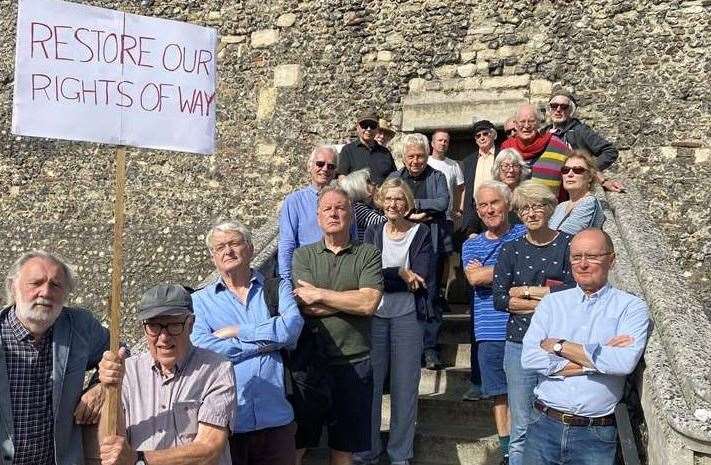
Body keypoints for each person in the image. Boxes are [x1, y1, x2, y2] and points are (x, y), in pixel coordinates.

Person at [521, 228, 649, 465]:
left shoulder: (631, 307)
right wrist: (598, 357)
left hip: (594, 435)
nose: (583, 264)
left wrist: (560, 346)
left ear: (611, 259)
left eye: (592, 256)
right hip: (543, 425)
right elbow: (529, 358)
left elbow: (623, 363)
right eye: (576, 257)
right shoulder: (552, 303)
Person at [191, 221, 304, 465]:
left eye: (234, 243)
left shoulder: (277, 288)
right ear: (213, 257)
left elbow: (291, 329)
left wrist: (236, 331)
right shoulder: (199, 301)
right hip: (227, 421)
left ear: (251, 249)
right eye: (220, 247)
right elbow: (201, 347)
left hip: (277, 416)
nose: (228, 251)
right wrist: (267, 343)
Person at [290, 186, 384, 465]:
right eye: (327, 208)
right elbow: (304, 304)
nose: (334, 213)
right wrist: (349, 299)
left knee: (344, 445)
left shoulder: (367, 254)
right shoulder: (303, 255)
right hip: (310, 363)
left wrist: (320, 294)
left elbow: (369, 304)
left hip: (355, 361)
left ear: (351, 215)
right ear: (318, 217)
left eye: (340, 207)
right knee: (297, 442)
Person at [97, 284, 236, 465]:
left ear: (191, 324)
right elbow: (111, 444)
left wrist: (139, 459)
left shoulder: (217, 369)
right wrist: (110, 391)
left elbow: (209, 449)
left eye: (173, 325)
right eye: (154, 326)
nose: (163, 337)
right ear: (144, 328)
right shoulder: (128, 371)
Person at [492, 181, 575, 465]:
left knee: (556, 423)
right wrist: (548, 300)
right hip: (519, 345)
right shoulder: (510, 250)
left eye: (538, 206)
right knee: (522, 427)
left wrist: (525, 291)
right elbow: (501, 299)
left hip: (559, 346)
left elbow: (574, 293)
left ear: (550, 208)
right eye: (525, 208)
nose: (531, 212)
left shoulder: (568, 244)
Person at [0, 250, 109, 465]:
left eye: (55, 285)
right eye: (36, 283)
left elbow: (119, 352)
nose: (46, 292)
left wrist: (101, 386)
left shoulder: (80, 327)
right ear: (14, 286)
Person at [361, 179, 433, 465]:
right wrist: (401, 274)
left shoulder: (421, 232)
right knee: (372, 387)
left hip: (407, 317)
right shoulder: (373, 231)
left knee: (405, 387)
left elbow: (421, 277)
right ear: (381, 201)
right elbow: (367, 274)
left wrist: (392, 275)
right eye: (389, 199)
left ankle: (400, 454)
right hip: (375, 316)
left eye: (399, 199)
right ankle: (368, 449)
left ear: (408, 203)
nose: (393, 204)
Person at [461, 181, 527, 464]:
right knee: (499, 395)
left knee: (525, 393)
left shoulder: (525, 233)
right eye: (483, 205)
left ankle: (526, 449)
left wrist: (495, 271)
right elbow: (474, 279)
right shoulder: (471, 244)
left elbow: (530, 269)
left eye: (494, 203)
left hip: (524, 326)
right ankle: (508, 451)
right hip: (488, 329)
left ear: (507, 203)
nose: (489, 210)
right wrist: (511, 269)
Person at [387, 133, 449, 370]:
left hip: (429, 243)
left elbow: (442, 202)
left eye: (420, 156)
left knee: (430, 294)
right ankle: (405, 347)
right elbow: (387, 202)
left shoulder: (437, 176)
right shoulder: (395, 178)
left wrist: (413, 205)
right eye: (411, 156)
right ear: (404, 157)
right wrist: (416, 211)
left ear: (427, 155)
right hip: (399, 241)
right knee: (401, 292)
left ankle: (430, 348)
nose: (416, 161)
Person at [544, 89, 624, 193]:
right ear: (549, 109)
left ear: (570, 111)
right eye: (554, 106)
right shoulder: (543, 132)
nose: (558, 110)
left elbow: (610, 151)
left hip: (572, 189)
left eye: (564, 107)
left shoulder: (580, 130)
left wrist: (588, 169)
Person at [278, 145, 339, 279]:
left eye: (331, 166)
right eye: (320, 164)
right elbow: (287, 243)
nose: (325, 169)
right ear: (309, 167)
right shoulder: (294, 201)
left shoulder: (345, 202)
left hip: (339, 276)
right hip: (308, 276)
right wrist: (285, 281)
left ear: (335, 172)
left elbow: (353, 239)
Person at [501, 104, 570, 200]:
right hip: (515, 211)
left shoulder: (558, 147)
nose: (526, 126)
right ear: (516, 125)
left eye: (531, 121)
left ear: (538, 123)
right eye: (522, 121)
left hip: (551, 210)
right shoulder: (506, 148)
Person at [549, 151, 605, 234]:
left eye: (578, 170)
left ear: (590, 176)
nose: (570, 174)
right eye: (565, 170)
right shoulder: (560, 207)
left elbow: (564, 237)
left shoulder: (589, 203)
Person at [337, 110, 397, 186]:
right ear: (358, 127)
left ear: (377, 128)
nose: (368, 129)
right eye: (364, 125)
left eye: (372, 125)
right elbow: (342, 178)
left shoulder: (385, 152)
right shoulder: (348, 150)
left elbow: (394, 178)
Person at [461, 120, 499, 236]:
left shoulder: (502, 155)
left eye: (485, 134)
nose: (482, 138)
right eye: (478, 136)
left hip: (495, 208)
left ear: (493, 135)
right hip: (474, 211)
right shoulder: (468, 161)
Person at [339, 168, 386, 242]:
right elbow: (381, 223)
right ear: (359, 187)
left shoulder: (364, 206)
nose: (373, 183)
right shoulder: (357, 208)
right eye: (368, 182)